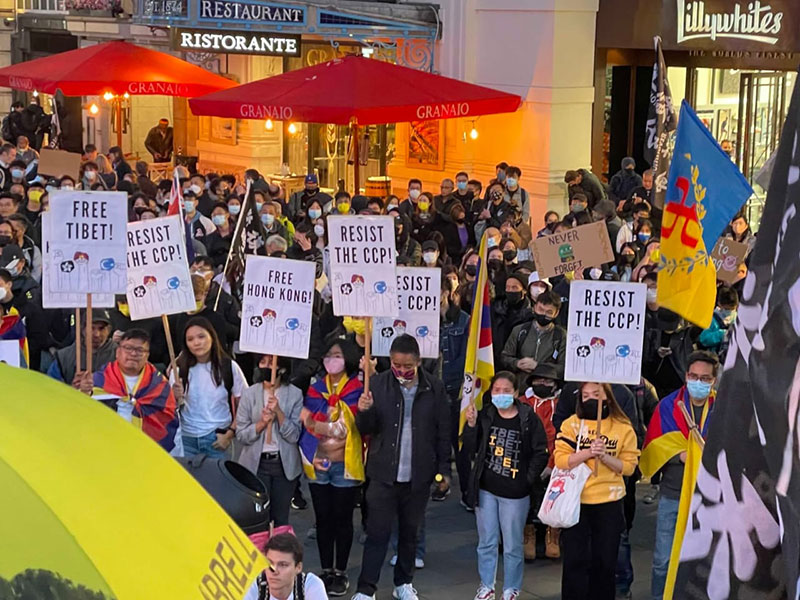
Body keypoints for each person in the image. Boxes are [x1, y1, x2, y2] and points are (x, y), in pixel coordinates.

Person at [352, 334, 450, 600]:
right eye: (396, 364)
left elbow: (443, 431)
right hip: (383, 474)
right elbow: (366, 430)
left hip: (418, 476)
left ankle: (403, 583)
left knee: (410, 534)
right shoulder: (379, 384)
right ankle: (365, 589)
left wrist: (445, 470)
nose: (402, 370)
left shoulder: (435, 388)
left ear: (418, 361)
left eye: (408, 366)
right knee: (377, 535)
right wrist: (364, 411)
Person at [462, 371, 548, 600]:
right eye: (496, 390)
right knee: (487, 542)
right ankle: (487, 585)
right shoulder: (486, 415)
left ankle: (511, 588)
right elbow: (470, 450)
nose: (501, 394)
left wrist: (527, 479)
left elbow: (541, 453)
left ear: (516, 393)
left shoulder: (528, 418)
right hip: (486, 490)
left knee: (512, 545)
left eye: (506, 391)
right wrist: (471, 425)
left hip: (516, 494)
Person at [642, 351, 718, 600]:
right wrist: (681, 456)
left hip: (710, 499)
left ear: (714, 380)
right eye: (694, 376)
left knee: (704, 562)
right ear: (686, 376)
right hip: (673, 494)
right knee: (663, 561)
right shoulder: (668, 406)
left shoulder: (723, 409)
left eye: (705, 378)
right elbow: (655, 446)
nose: (699, 382)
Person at [553, 382, 640, 600]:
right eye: (585, 395)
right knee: (575, 561)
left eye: (596, 394)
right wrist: (587, 453)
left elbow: (629, 467)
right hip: (577, 501)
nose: (590, 399)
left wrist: (605, 457)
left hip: (609, 503)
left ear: (608, 398)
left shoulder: (623, 427)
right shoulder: (571, 425)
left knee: (605, 562)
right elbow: (561, 460)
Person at [300, 339, 365, 597]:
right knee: (323, 519)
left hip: (345, 466)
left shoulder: (358, 389)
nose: (331, 360)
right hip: (318, 464)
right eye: (327, 355)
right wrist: (316, 423)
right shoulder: (316, 389)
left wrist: (316, 424)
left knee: (343, 520)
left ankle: (341, 571)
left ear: (347, 358)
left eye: (337, 355)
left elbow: (344, 428)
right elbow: (306, 420)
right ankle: (326, 569)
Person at [79, 328, 182, 455]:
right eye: (128, 348)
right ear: (117, 352)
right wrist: (83, 394)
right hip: (108, 450)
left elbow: (170, 422)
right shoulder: (97, 381)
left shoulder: (160, 385)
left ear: (147, 355)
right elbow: (84, 415)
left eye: (140, 350)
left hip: (147, 453)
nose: (133, 354)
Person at [237, 354, 303, 527]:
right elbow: (242, 434)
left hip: (283, 465)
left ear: (282, 368)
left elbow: (294, 435)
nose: (266, 367)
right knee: (258, 519)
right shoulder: (250, 393)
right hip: (256, 465)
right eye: (262, 362)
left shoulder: (295, 394)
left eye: (271, 363)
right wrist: (261, 424)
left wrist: (279, 413)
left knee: (280, 518)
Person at [171, 316, 247, 459]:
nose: (197, 343)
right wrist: (174, 396)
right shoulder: (178, 369)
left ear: (212, 337)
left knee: (217, 481)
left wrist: (230, 434)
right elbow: (169, 409)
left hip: (217, 438)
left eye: (201, 337)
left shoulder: (229, 366)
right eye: (190, 339)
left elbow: (244, 404)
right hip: (187, 439)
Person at [520, 364, 562, 561]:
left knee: (555, 497)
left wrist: (552, 464)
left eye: (548, 381)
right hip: (527, 461)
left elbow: (562, 437)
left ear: (555, 384)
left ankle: (552, 535)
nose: (543, 384)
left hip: (556, 459)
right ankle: (528, 534)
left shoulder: (562, 404)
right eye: (539, 380)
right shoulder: (521, 403)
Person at [501, 290, 566, 380]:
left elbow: (563, 368)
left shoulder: (561, 335)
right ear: (534, 307)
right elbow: (504, 357)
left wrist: (538, 366)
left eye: (549, 312)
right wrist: (517, 363)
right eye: (540, 309)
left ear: (556, 313)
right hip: (521, 385)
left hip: (546, 386)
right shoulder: (520, 330)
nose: (543, 314)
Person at [246, 533, 329, 600]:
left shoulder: (310, 585)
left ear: (298, 567)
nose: (274, 571)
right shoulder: (255, 585)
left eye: (283, 565)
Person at [47, 309, 116, 385]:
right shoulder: (64, 357)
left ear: (109, 330)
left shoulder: (120, 356)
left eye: (101, 329)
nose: (97, 334)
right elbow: (52, 387)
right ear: (82, 329)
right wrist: (72, 389)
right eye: (92, 328)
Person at [698, 286, 738, 356]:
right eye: (727, 309)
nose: (730, 311)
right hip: (716, 357)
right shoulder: (713, 319)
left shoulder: (737, 318)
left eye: (732, 309)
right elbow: (703, 339)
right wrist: (722, 334)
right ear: (719, 304)